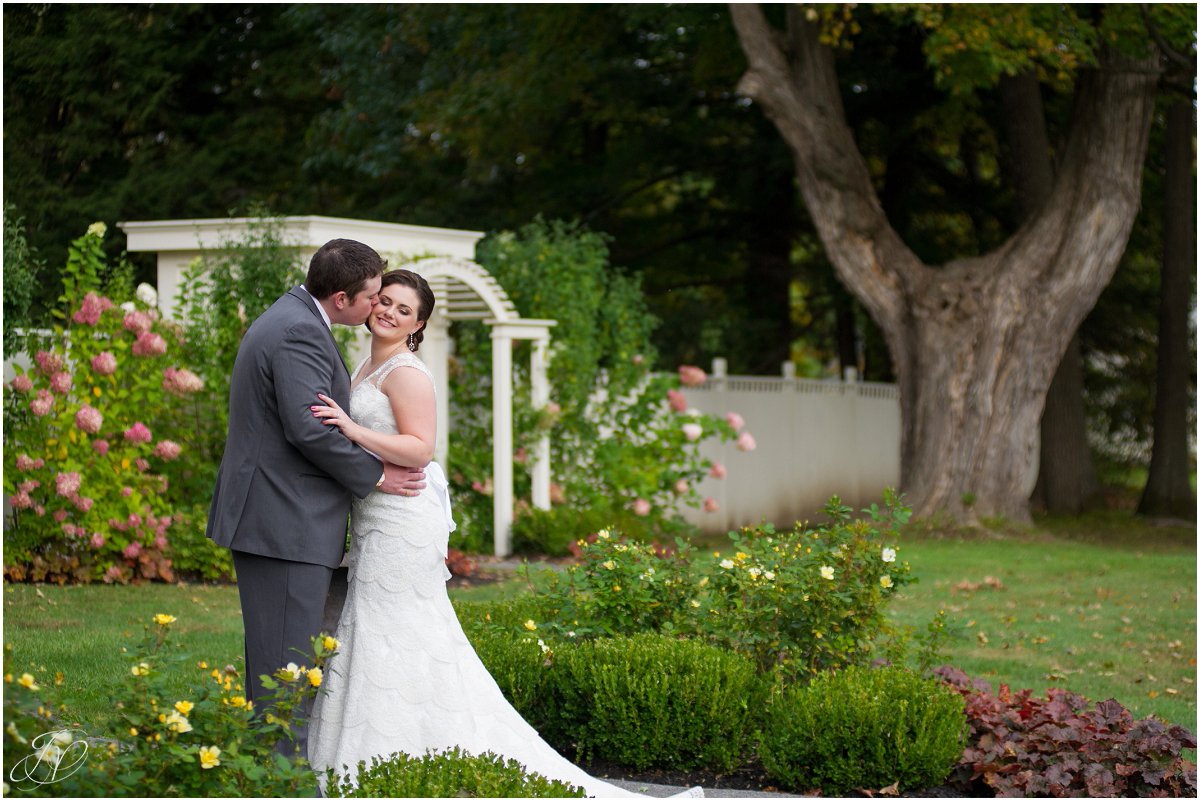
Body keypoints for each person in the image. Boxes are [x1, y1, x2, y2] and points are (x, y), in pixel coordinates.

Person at [306, 270, 703, 798]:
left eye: (404, 310)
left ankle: (403, 754)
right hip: (378, 511)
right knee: (380, 624)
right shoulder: (366, 363)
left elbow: (420, 448)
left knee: (394, 627)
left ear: (419, 323)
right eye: (384, 301)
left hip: (403, 516)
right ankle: (393, 753)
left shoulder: (406, 373)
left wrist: (351, 429)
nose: (389, 312)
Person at [206, 239, 426, 759]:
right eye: (373, 296)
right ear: (343, 298)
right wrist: (376, 478)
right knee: (286, 661)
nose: (379, 306)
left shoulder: (294, 317)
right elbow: (309, 429)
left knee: (278, 658)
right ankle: (281, 781)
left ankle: (268, 772)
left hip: (280, 516)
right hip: (284, 520)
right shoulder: (299, 331)